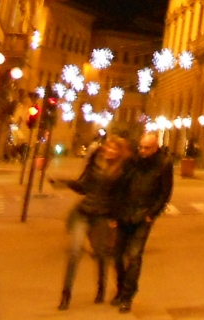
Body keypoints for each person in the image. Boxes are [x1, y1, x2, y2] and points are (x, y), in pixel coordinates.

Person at [59, 135, 130, 310]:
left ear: (119, 152)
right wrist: (66, 183)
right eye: (108, 147)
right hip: (84, 212)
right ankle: (66, 294)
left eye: (114, 149)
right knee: (75, 252)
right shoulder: (94, 162)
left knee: (101, 253)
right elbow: (84, 187)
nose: (109, 150)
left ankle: (101, 288)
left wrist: (115, 218)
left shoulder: (122, 171)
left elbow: (120, 197)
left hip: (103, 215)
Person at [113, 132, 173, 313]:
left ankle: (127, 296)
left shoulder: (163, 164)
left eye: (147, 148)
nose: (143, 151)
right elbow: (121, 185)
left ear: (155, 148)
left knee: (134, 255)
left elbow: (165, 192)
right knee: (117, 255)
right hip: (125, 212)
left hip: (143, 215)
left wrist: (152, 214)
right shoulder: (132, 161)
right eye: (141, 147)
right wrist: (115, 211)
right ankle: (121, 288)